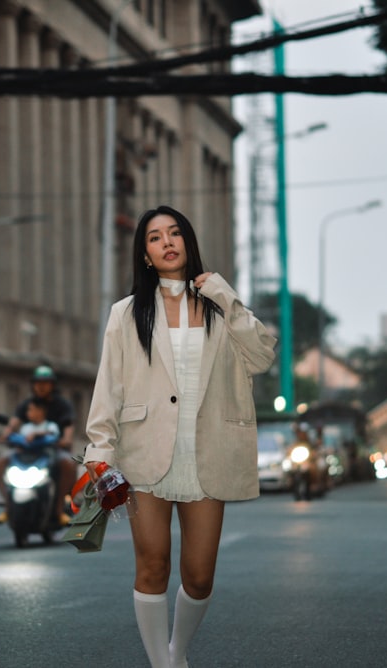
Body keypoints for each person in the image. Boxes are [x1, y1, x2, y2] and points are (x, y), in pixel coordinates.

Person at [82, 205, 276, 668]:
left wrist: (226, 296)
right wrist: (99, 452)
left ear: (188, 243)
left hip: (208, 450)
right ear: (145, 254)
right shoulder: (127, 313)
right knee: (152, 567)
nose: (166, 242)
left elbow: (263, 356)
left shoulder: (218, 306)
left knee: (200, 576)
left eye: (174, 234)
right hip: (144, 451)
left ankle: (177, 650)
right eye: (154, 237)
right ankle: (163, 665)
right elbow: (109, 385)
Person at [0, 365, 76, 526]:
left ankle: (59, 509)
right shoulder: (26, 404)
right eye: (38, 382)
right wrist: (6, 435)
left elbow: (68, 428)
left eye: (45, 382)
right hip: (27, 453)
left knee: (68, 464)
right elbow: (13, 423)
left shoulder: (62, 405)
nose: (41, 386)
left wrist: (65, 440)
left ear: (52, 385)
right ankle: (8, 506)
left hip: (53, 451)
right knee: (1, 462)